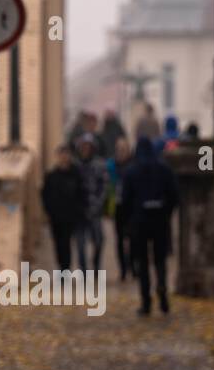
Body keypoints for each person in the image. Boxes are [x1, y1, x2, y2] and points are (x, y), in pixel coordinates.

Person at [117, 136, 180, 316]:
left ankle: (146, 302)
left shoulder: (131, 171)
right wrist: (166, 212)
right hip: (160, 220)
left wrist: (128, 221)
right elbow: (174, 195)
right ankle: (162, 291)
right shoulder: (164, 170)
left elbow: (126, 200)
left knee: (142, 262)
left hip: (139, 221)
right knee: (160, 259)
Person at [41, 145, 85, 270]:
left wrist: (78, 210)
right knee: (58, 244)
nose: (64, 158)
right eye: (62, 155)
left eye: (66, 155)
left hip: (70, 216)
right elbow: (45, 194)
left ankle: (65, 269)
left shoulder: (76, 174)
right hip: (55, 217)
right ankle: (61, 267)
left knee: (66, 244)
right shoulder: (51, 176)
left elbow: (81, 193)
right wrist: (48, 210)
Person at [73, 134, 108, 271]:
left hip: (95, 210)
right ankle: (83, 271)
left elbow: (104, 186)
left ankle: (96, 264)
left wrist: (98, 204)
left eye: (88, 146)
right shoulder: (75, 166)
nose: (85, 149)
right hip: (79, 211)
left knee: (99, 241)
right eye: (83, 146)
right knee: (80, 245)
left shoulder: (100, 164)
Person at [105, 136, 134, 281]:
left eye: (124, 149)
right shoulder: (110, 166)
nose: (121, 152)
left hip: (131, 206)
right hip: (117, 206)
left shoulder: (134, 166)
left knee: (133, 238)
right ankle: (123, 269)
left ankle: (133, 267)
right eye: (119, 149)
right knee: (120, 239)